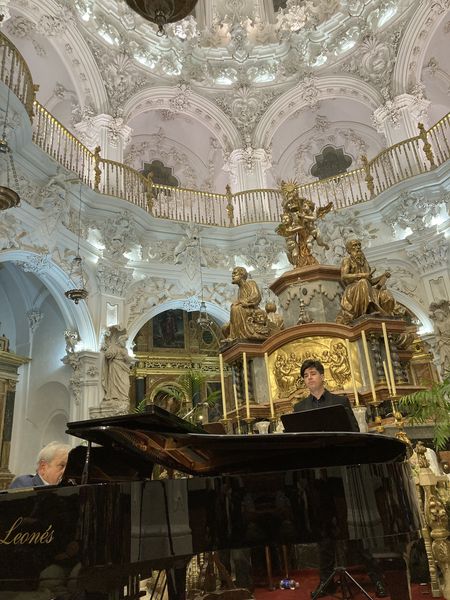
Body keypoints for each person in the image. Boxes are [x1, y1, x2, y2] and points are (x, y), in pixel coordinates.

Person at [294, 360, 387, 598]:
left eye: (313, 373)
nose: (309, 378)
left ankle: (376, 577)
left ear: (323, 376)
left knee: (356, 526)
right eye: (305, 375)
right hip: (318, 475)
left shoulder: (340, 402)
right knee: (323, 530)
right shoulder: (300, 408)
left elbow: (353, 433)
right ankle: (326, 580)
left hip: (343, 474)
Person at [336, 239, 401, 325]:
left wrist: (382, 276)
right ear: (348, 250)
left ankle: (386, 317)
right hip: (353, 289)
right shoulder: (347, 260)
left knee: (386, 294)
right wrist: (362, 275)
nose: (358, 247)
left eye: (359, 245)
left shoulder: (365, 262)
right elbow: (344, 276)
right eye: (354, 246)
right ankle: (372, 309)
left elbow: (370, 282)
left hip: (367, 287)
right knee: (363, 282)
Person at [221, 266, 270, 343]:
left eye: (235, 273)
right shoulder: (239, 289)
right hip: (245, 310)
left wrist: (242, 302)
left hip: (253, 310)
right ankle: (233, 335)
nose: (232, 276)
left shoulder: (251, 283)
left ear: (242, 275)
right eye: (232, 274)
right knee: (225, 328)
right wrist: (240, 302)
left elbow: (256, 296)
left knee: (236, 308)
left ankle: (238, 336)